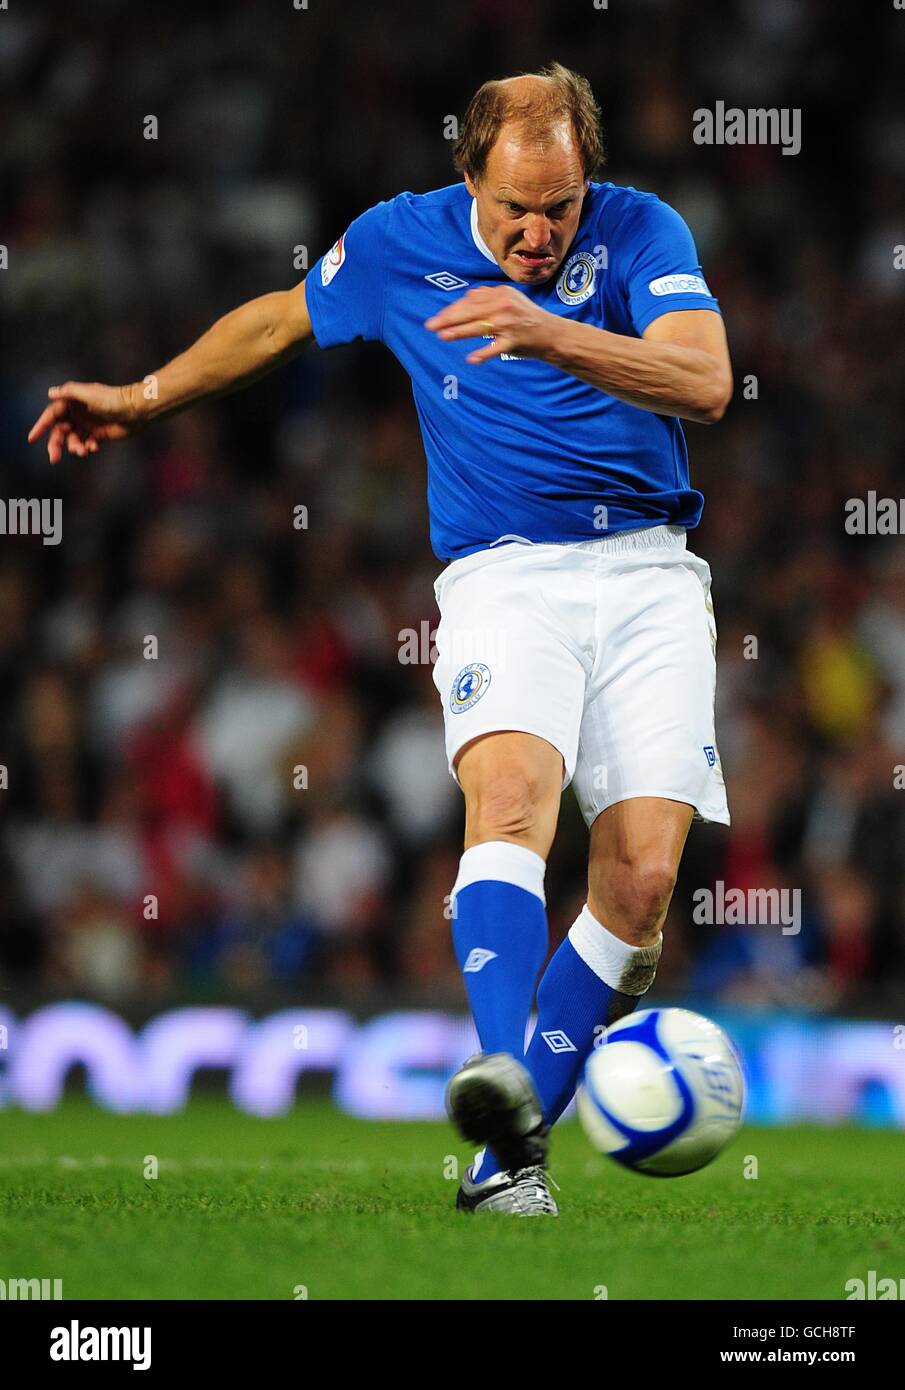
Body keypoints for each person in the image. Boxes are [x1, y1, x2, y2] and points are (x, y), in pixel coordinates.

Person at [29, 63, 732, 1215]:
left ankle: (502, 1147)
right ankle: (509, 1096)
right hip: (503, 575)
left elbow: (703, 380)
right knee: (509, 803)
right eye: (514, 207)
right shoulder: (398, 243)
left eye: (558, 206)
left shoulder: (640, 229)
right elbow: (280, 319)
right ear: (469, 175)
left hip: (650, 575)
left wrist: (546, 334)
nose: (538, 230)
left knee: (642, 878)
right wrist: (141, 397)